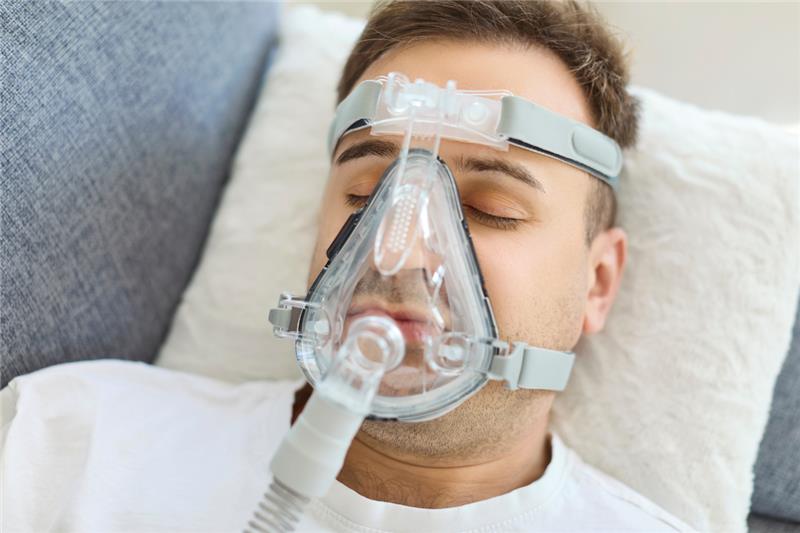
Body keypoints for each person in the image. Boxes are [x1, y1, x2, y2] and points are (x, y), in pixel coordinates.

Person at [1, 1, 690, 531]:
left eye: (491, 208)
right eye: (364, 193)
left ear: (597, 283)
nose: (399, 248)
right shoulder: (72, 441)